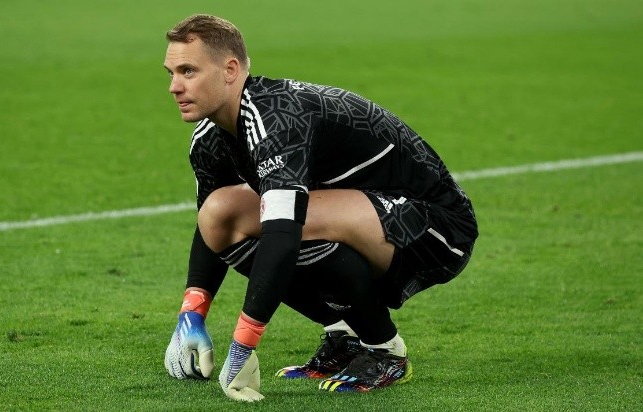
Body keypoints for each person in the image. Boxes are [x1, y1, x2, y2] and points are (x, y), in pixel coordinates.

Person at [161, 14, 478, 402]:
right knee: (221, 211)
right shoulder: (211, 138)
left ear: (230, 70)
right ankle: (344, 333)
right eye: (172, 72)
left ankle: (384, 349)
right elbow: (212, 226)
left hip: (436, 226)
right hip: (363, 219)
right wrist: (192, 313)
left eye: (188, 71)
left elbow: (284, 233)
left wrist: (243, 344)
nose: (175, 86)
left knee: (287, 219)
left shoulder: (276, 117)